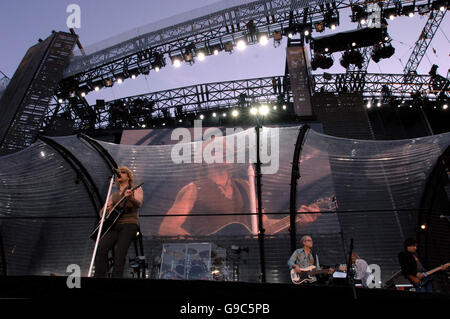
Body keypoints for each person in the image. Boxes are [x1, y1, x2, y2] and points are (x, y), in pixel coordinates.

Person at [158, 163, 320, 236]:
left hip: (245, 255)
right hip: (212, 257)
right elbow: (167, 227)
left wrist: (297, 219)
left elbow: (265, 225)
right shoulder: (193, 188)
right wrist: (200, 250)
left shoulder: (245, 185)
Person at [94, 166, 144, 278]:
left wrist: (130, 197)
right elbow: (102, 212)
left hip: (129, 224)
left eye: (123, 172)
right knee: (101, 248)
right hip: (115, 224)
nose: (119, 174)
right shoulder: (114, 195)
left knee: (119, 253)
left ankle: (116, 278)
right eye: (118, 172)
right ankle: (99, 276)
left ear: (128, 176)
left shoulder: (135, 189)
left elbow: (139, 203)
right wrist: (105, 211)